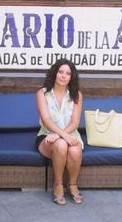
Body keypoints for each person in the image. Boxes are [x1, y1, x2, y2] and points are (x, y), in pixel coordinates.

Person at [36, 58, 84, 205]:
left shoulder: (77, 95)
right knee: (61, 145)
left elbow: (75, 122)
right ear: (55, 73)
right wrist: (60, 136)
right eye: (61, 72)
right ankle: (58, 185)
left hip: (71, 135)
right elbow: (46, 120)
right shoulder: (42, 93)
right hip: (46, 136)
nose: (64, 76)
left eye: (68, 73)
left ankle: (73, 185)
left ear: (71, 77)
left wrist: (59, 135)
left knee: (75, 150)